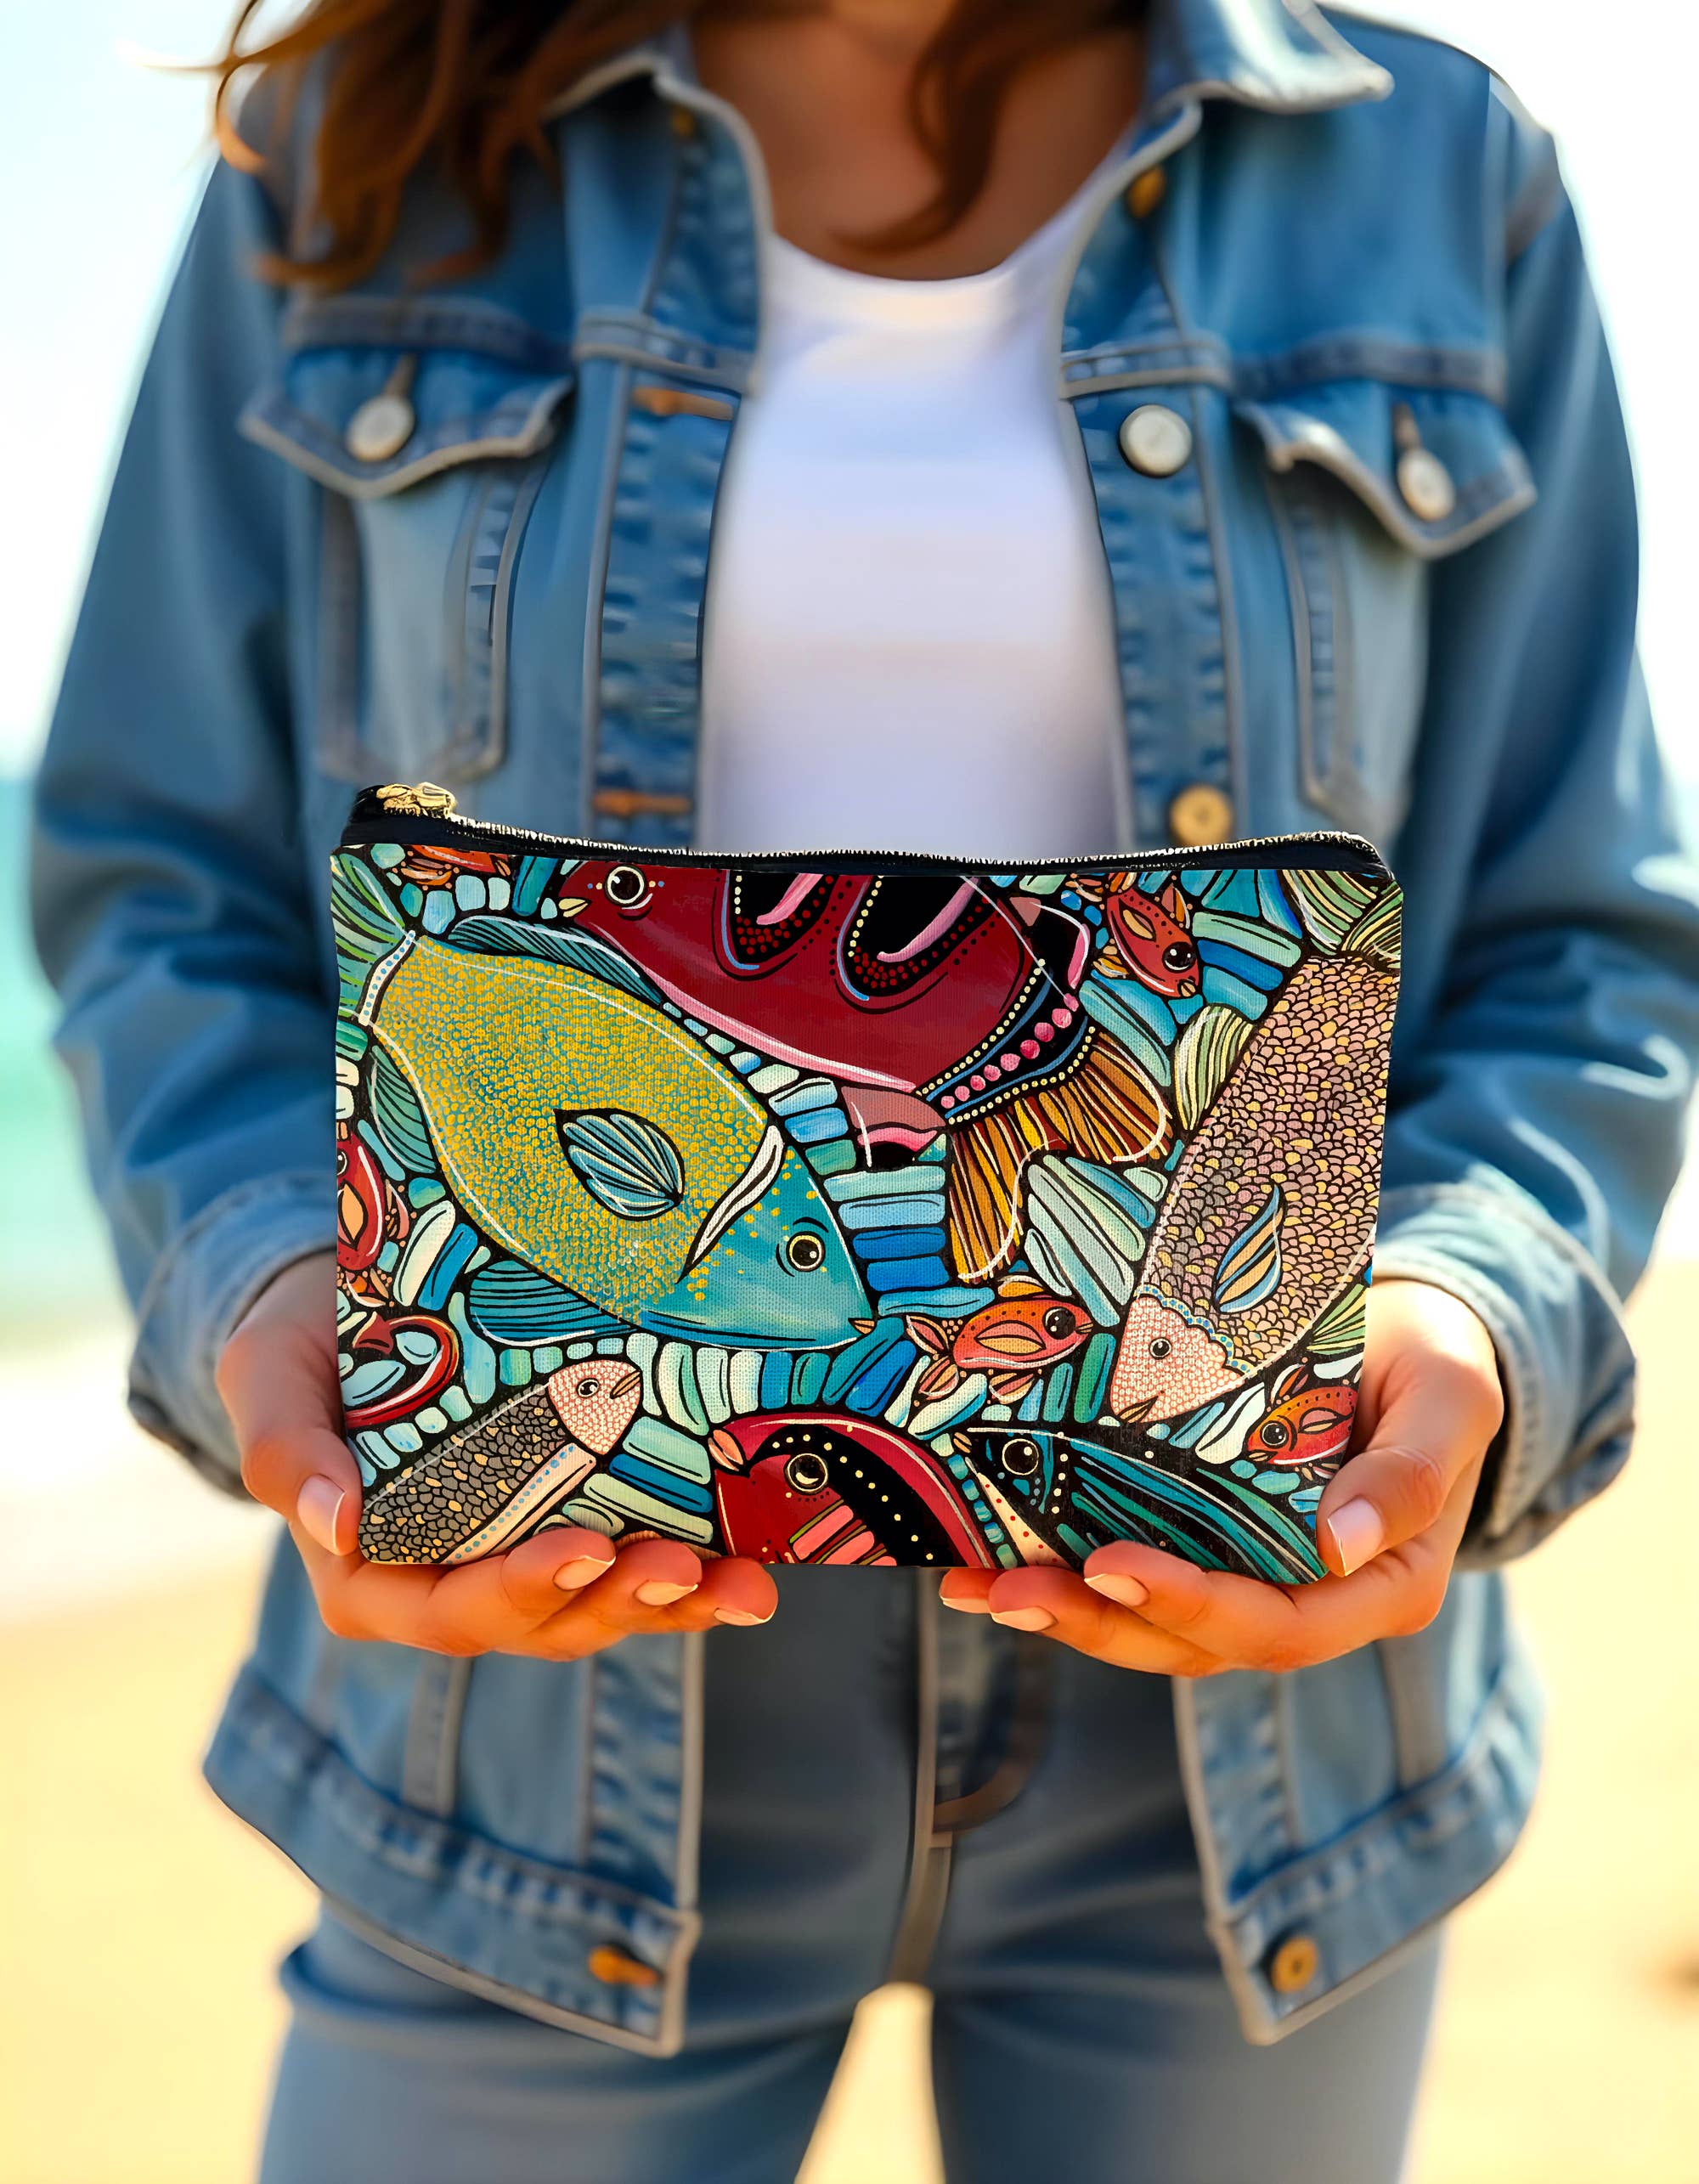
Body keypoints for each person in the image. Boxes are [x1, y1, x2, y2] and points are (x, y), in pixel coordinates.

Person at [31, 2, 1699, 2178]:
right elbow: (161, 876)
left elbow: (1578, 934)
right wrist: (272, 1290)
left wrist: (1463, 1311)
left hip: (1251, 1735)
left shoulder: (1440, 173)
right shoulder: (363, 142)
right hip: (528, 1716)